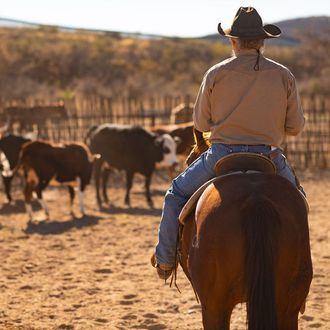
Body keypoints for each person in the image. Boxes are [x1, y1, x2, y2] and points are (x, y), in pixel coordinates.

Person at [151, 7, 305, 280]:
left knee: (175, 195)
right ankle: (299, 270)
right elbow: (295, 128)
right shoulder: (283, 75)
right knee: (298, 204)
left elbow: (201, 123)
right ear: (262, 41)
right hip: (268, 156)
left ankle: (164, 262)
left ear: (232, 41)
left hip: (222, 154)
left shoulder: (215, 73)